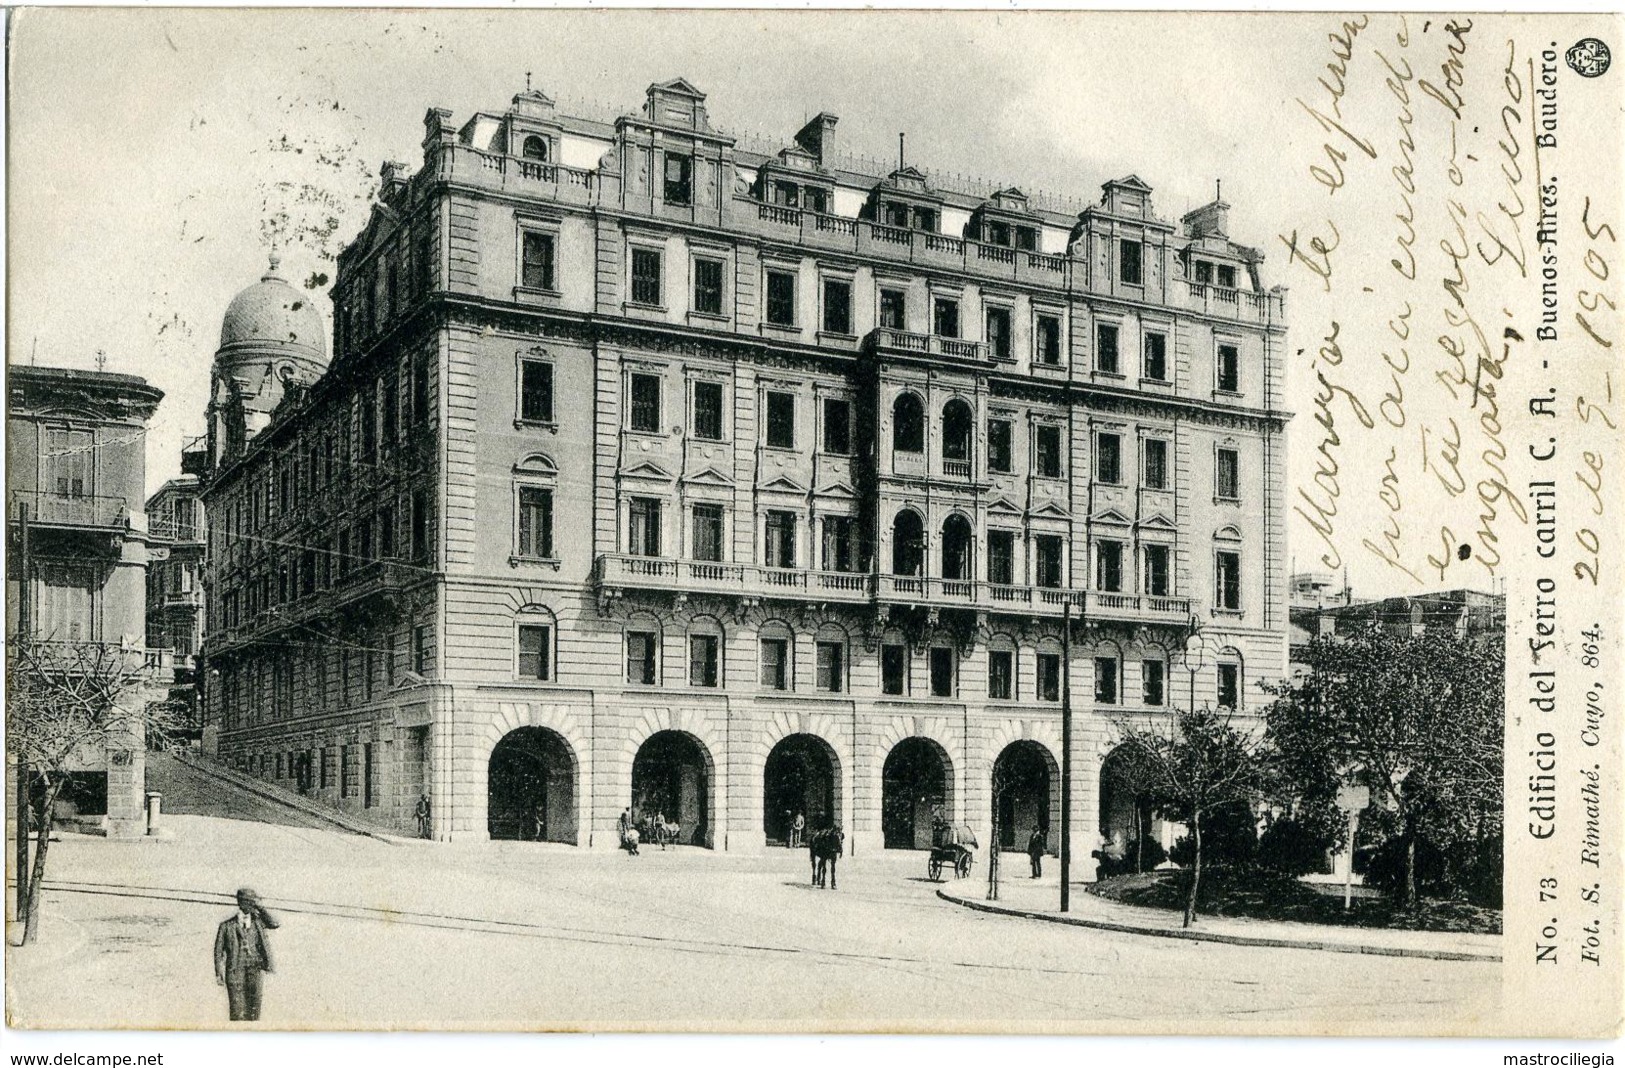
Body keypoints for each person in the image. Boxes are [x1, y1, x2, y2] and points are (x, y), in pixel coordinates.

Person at [214, 888, 279, 1022]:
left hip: (255, 971)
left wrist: (261, 907)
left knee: (254, 1012)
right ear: (241, 902)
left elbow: (275, 923)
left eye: (253, 902)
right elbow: (218, 952)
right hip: (234, 972)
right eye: (248, 902)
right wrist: (218, 972)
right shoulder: (226, 926)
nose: (251, 905)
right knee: (237, 1012)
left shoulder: (258, 922)